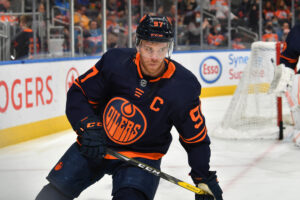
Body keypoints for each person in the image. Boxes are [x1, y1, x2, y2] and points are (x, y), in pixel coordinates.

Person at [35, 14, 223, 200]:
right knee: (50, 196)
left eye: (161, 49)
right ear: (138, 44)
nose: (155, 57)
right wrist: (88, 126)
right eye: (149, 49)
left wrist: (203, 177)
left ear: (169, 47)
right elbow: (79, 93)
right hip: (97, 143)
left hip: (142, 157)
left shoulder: (183, 86)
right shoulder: (115, 62)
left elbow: (195, 138)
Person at [269, 24, 300, 147]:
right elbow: (288, 60)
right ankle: (299, 129)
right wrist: (284, 76)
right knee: (295, 82)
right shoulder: (297, 31)